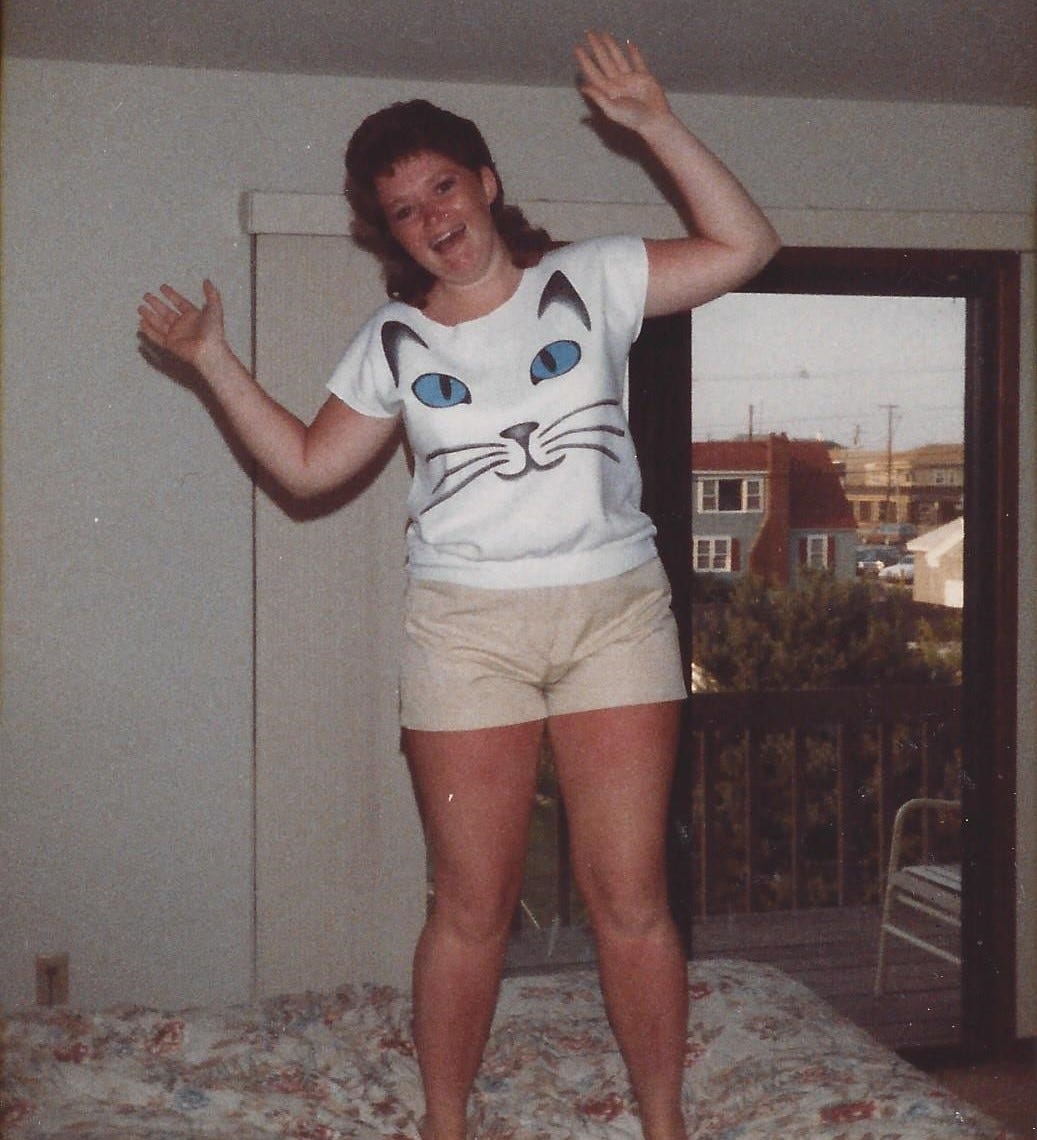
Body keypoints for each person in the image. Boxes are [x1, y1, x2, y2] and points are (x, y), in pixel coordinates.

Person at [139, 31, 779, 1140]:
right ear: (385, 232)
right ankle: (444, 1124)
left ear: (485, 184)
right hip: (465, 629)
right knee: (471, 908)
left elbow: (742, 244)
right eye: (403, 208)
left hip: (613, 611)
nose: (433, 216)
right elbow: (303, 470)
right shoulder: (389, 341)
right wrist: (210, 362)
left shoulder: (588, 279)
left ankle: (662, 1124)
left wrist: (652, 122)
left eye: (444, 186)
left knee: (628, 898)